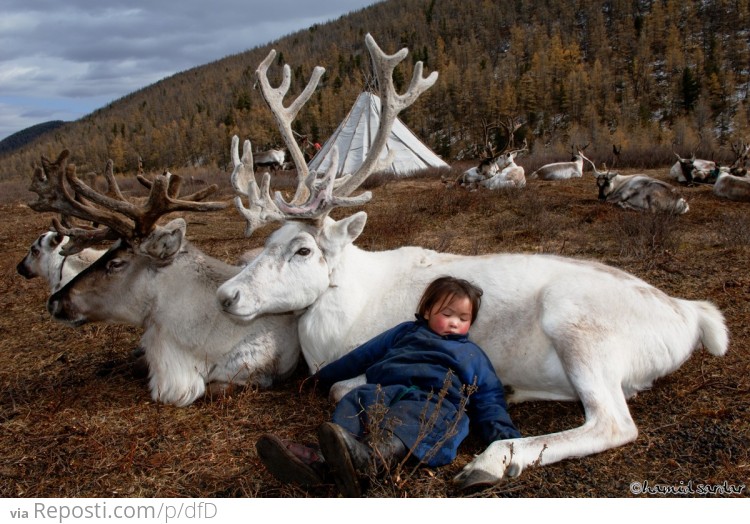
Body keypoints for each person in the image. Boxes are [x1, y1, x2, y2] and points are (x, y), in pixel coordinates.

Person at [256, 276, 520, 496]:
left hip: (434, 401)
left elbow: (489, 398)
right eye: (446, 313)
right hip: (386, 390)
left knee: (415, 417)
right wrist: (320, 378)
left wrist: (506, 439)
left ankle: (370, 458)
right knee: (357, 399)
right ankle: (329, 459)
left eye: (463, 318)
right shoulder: (405, 332)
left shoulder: (472, 355)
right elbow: (363, 356)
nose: (454, 322)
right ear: (427, 311)